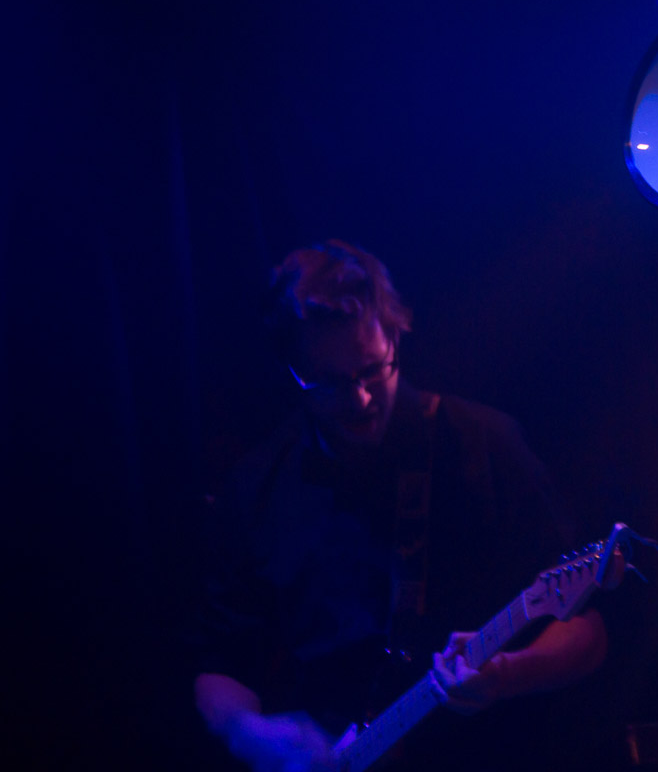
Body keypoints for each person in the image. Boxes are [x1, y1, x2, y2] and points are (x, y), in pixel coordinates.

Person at [194, 241, 607, 772]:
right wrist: (249, 733)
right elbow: (219, 664)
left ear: (394, 335)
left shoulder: (482, 444)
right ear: (292, 370)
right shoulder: (256, 488)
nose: (361, 400)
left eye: (372, 369)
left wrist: (508, 675)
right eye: (331, 383)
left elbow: (587, 630)